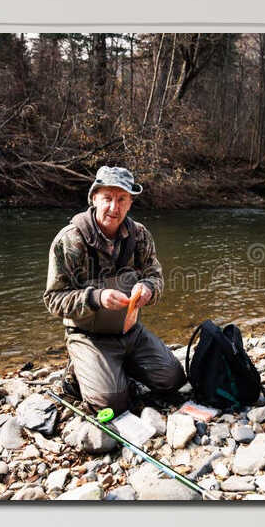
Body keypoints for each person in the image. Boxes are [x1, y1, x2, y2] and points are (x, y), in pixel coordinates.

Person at [42, 165, 186, 412]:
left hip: (132, 333)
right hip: (88, 335)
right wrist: (96, 298)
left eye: (121, 199)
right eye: (107, 198)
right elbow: (53, 299)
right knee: (111, 402)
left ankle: (117, 368)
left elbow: (156, 276)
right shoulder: (69, 240)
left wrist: (149, 288)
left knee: (173, 380)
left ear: (130, 203)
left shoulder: (140, 236)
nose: (114, 207)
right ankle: (77, 372)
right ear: (94, 198)